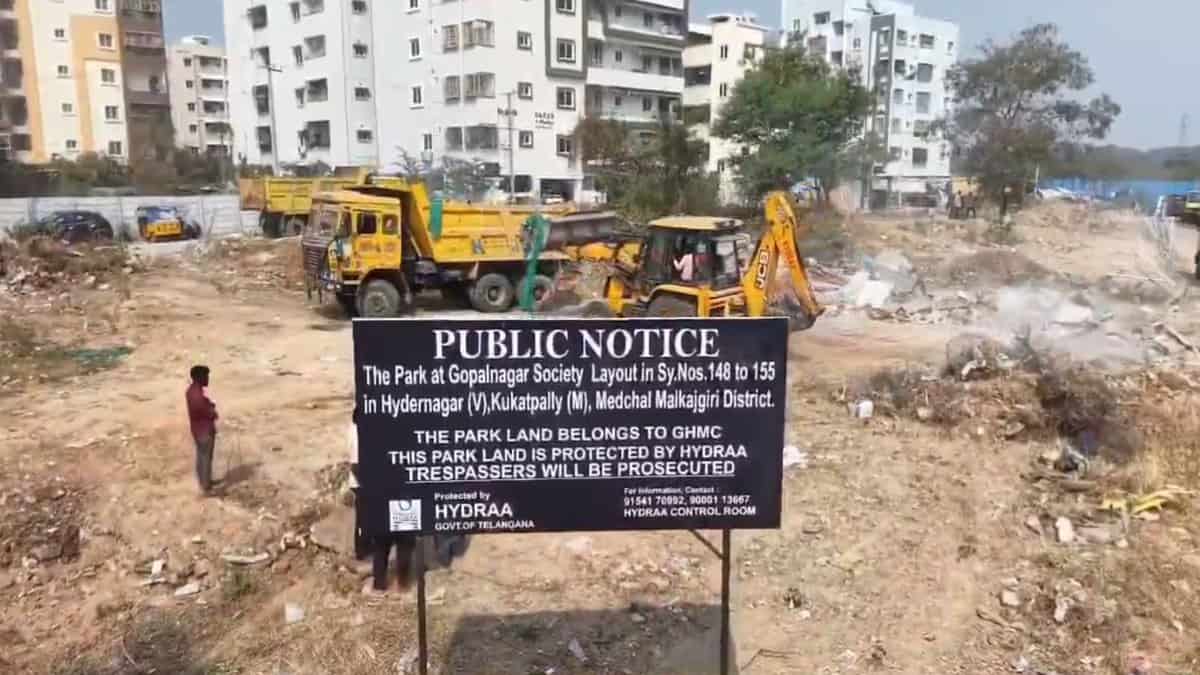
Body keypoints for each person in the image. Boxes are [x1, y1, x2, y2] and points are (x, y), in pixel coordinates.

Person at [185, 365, 218, 495]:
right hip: (204, 431)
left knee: (201, 457)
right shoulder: (197, 395)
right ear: (199, 377)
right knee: (205, 458)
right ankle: (206, 487)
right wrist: (212, 411)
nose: (207, 379)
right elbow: (205, 411)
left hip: (198, 430)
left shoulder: (192, 391)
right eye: (206, 376)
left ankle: (204, 481)